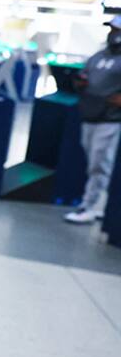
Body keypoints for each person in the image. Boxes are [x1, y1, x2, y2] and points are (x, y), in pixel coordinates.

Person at [64, 16, 121, 224]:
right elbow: (83, 75)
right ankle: (97, 202)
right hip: (90, 115)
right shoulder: (98, 57)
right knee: (93, 161)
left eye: (116, 30)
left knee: (100, 163)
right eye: (111, 30)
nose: (112, 34)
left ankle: (90, 205)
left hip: (110, 119)